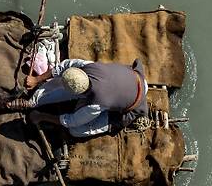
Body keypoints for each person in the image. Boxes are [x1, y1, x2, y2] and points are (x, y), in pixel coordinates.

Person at [11, 58, 148, 137]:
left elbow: (72, 121)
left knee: (76, 131)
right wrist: (37, 79)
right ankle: (35, 101)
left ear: (81, 94)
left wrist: (41, 116)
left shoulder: (96, 104)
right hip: (134, 78)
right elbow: (65, 66)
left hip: (135, 102)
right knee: (61, 83)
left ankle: (108, 122)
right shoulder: (88, 66)